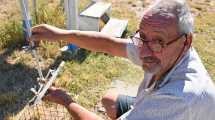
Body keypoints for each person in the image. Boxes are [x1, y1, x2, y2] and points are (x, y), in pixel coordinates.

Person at [31, 0, 215, 119]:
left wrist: (66, 101)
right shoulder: (164, 49)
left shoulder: (178, 98)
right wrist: (62, 34)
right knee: (109, 100)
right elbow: (110, 44)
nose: (143, 51)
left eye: (159, 40)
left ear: (187, 41)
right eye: (142, 36)